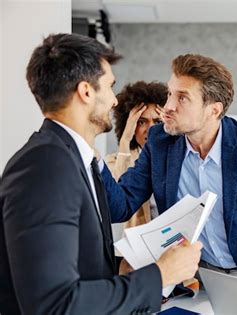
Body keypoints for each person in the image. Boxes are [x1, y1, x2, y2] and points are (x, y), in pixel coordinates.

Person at [0, 33, 201, 315]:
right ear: (86, 91)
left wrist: (120, 267)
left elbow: (75, 262)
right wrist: (160, 275)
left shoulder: (74, 159)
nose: (115, 101)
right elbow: (54, 305)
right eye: (109, 87)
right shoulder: (45, 167)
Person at [101, 54, 237, 291]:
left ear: (213, 110)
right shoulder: (160, 142)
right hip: (203, 280)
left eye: (182, 98)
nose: (168, 106)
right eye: (171, 93)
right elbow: (121, 205)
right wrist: (91, 152)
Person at [106, 81, 168, 274]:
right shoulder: (112, 162)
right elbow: (115, 199)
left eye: (157, 122)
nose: (150, 129)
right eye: (142, 122)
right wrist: (125, 140)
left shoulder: (175, 162)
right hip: (132, 261)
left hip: (170, 253)